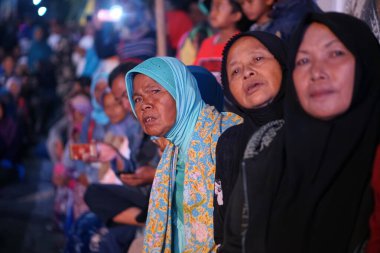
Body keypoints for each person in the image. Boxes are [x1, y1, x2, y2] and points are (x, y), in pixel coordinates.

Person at [226, 12, 380, 253]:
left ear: (366, 61)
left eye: (335, 53)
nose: (316, 72)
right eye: (303, 61)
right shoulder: (265, 151)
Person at [125, 56, 242, 252]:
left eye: (155, 91)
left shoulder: (229, 135)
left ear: (182, 91)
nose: (144, 105)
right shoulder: (172, 152)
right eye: (137, 99)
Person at [215, 31, 287, 250]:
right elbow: (223, 230)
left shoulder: (315, 125)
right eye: (235, 71)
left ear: (284, 62)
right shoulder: (229, 142)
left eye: (257, 59)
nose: (247, 72)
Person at [194, 0, 250, 81]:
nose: (213, 12)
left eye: (219, 6)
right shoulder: (206, 43)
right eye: (212, 7)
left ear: (236, 15)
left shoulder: (242, 43)